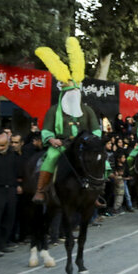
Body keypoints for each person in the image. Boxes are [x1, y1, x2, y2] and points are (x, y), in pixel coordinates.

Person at [33, 38, 102, 202]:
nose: (72, 96)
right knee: (49, 158)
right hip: (61, 145)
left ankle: (98, 193)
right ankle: (41, 190)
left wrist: (93, 140)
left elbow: (96, 129)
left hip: (84, 146)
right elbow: (47, 130)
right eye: (69, 93)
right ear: (63, 94)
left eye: (75, 93)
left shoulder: (87, 110)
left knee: (102, 162)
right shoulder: (53, 110)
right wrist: (51, 139)